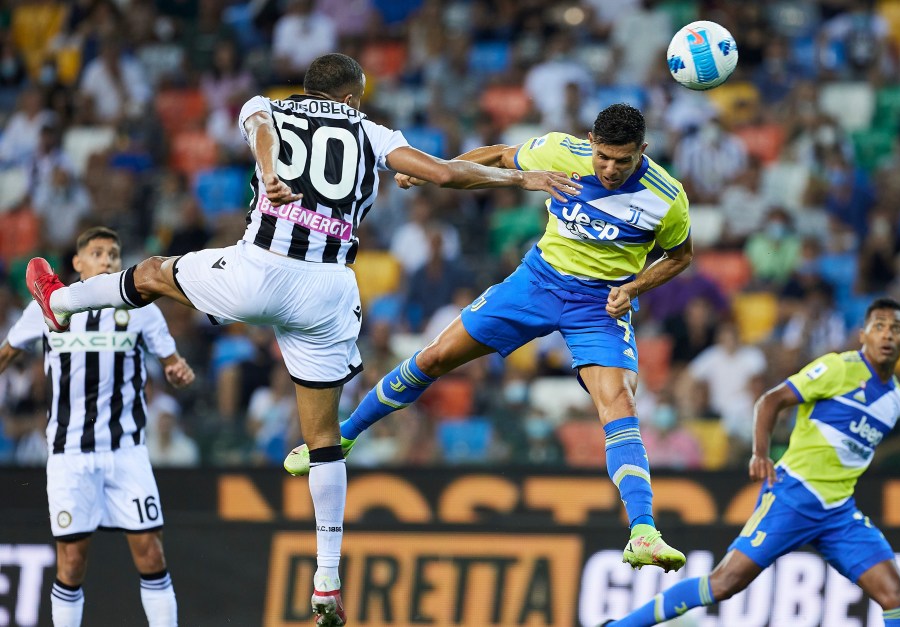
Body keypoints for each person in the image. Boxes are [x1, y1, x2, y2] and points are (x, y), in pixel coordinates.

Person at [25, 53, 578, 627]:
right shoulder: (371, 131)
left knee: (152, 273)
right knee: (322, 441)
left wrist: (268, 175)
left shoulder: (267, 107)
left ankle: (60, 300)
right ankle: (327, 584)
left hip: (258, 272)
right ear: (354, 96)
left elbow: (261, 132)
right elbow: (440, 172)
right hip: (329, 291)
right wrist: (521, 176)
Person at [287, 103, 693, 573]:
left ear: (642, 151)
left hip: (599, 305)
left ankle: (643, 531)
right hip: (536, 283)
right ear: (590, 142)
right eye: (603, 157)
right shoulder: (561, 151)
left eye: (622, 161)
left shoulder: (667, 197)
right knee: (437, 356)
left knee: (619, 403)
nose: (609, 169)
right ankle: (344, 436)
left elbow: (679, 256)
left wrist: (634, 286)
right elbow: (500, 156)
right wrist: (435, 171)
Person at [598, 298, 900, 627]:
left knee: (898, 596)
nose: (887, 335)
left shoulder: (897, 401)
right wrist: (760, 453)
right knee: (723, 584)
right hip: (792, 495)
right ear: (863, 334)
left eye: (896, 329)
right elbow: (771, 400)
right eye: (878, 327)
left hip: (839, 511)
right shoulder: (839, 368)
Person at [2, 227, 195, 627]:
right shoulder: (48, 306)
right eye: (98, 253)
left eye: (113, 254)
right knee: (71, 561)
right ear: (78, 262)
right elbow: (7, 351)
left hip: (126, 450)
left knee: (151, 552)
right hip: (69, 454)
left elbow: (169, 358)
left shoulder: (142, 309)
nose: (107, 260)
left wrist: (176, 368)